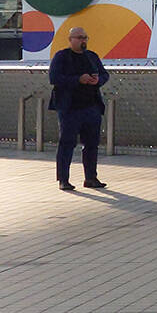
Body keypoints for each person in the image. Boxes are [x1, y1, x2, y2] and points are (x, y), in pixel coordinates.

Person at [47, 26, 110, 191]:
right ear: (71, 40)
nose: (83, 41)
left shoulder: (92, 56)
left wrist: (98, 80)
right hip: (70, 108)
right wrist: (78, 79)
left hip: (91, 107)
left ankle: (91, 178)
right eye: (79, 37)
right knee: (67, 143)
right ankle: (63, 179)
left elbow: (105, 74)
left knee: (91, 144)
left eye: (85, 37)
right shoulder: (62, 56)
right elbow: (54, 78)